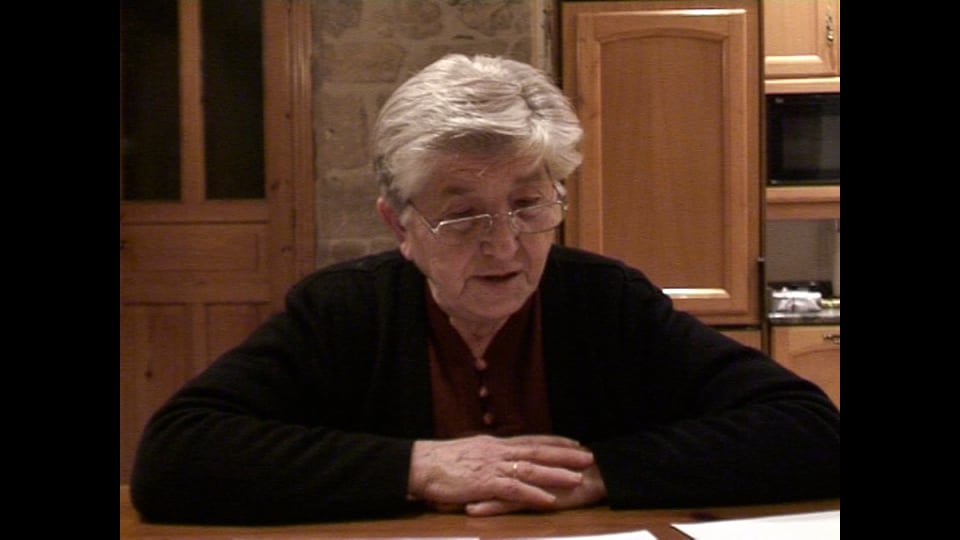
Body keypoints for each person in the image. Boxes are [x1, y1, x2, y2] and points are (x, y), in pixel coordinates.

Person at [129, 53, 841, 525]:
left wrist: (600, 473)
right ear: (400, 225)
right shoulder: (343, 310)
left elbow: (812, 431)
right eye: (463, 214)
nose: (503, 244)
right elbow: (176, 457)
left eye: (529, 205)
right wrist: (419, 467)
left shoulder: (606, 301)